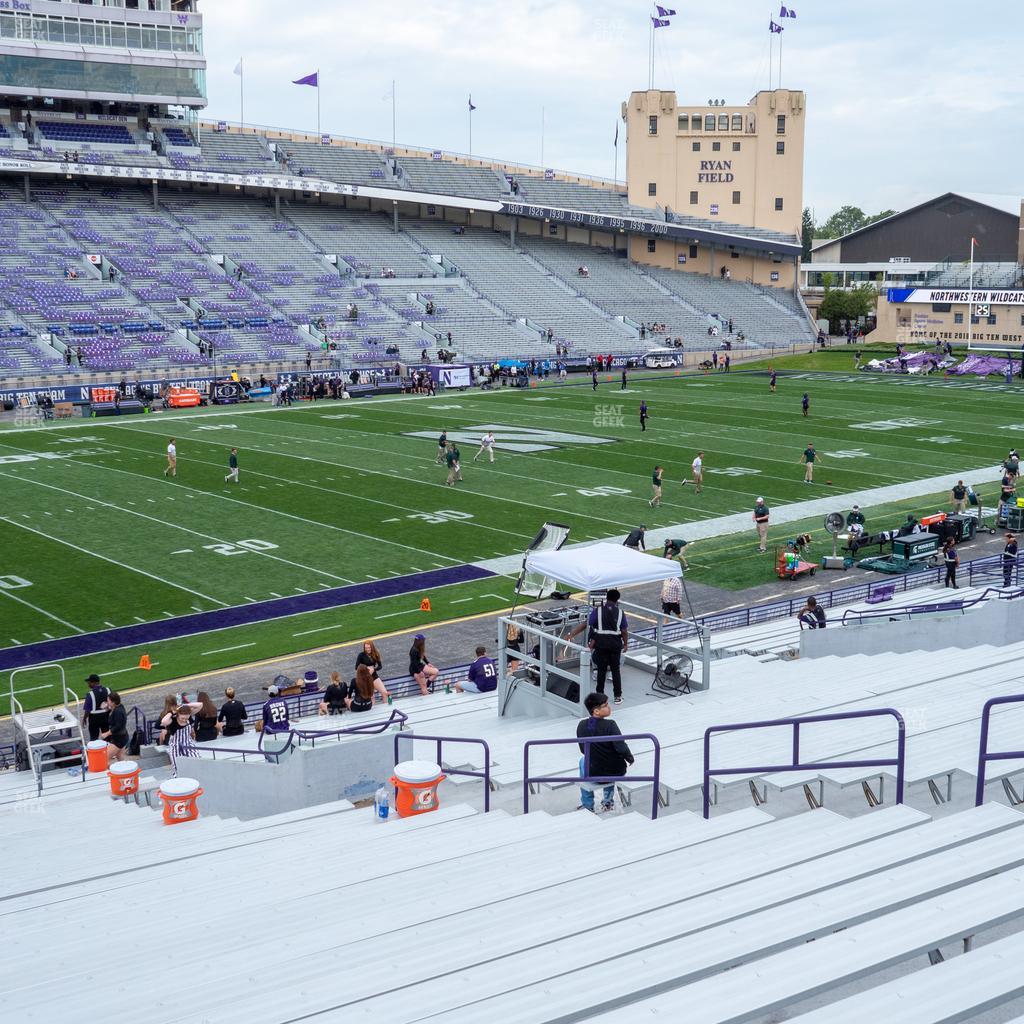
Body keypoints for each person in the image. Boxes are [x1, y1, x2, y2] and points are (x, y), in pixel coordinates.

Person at [576, 692, 633, 813]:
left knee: (583, 761)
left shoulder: (581, 725)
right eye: (606, 705)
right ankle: (608, 802)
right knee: (611, 761)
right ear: (596, 711)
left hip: (592, 772)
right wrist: (629, 758)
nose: (609, 707)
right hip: (614, 771)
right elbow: (621, 747)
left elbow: (583, 750)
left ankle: (587, 804)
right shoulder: (610, 725)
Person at [574, 588, 629, 704]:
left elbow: (588, 624)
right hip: (615, 645)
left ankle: (600, 697)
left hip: (601, 644)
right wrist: (625, 644)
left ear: (606, 598)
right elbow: (624, 630)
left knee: (601, 671)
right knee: (615, 671)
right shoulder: (620, 613)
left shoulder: (597, 611)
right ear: (617, 600)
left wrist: (571, 635)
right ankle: (618, 696)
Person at [162, 700, 202, 776]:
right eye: (182, 718)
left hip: (188, 743)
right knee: (177, 767)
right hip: (175, 745)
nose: (184, 720)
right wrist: (171, 712)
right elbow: (164, 721)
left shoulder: (188, 716)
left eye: (186, 718)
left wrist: (186, 705)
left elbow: (200, 705)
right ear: (177, 715)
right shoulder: (172, 720)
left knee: (197, 760)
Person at [101, 691, 130, 763]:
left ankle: (108, 772)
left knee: (104, 758)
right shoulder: (119, 707)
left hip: (119, 739)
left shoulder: (118, 712)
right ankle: (125, 771)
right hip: (122, 737)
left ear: (113, 702)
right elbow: (113, 712)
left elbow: (118, 726)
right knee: (120, 758)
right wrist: (107, 708)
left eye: (108, 701)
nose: (107, 702)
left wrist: (106, 733)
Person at [81, 673, 110, 742]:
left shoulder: (90, 694)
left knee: (94, 739)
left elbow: (87, 710)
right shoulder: (108, 690)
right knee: (107, 737)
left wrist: (84, 718)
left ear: (94, 682)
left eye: (89, 682)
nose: (88, 683)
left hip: (94, 719)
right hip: (106, 716)